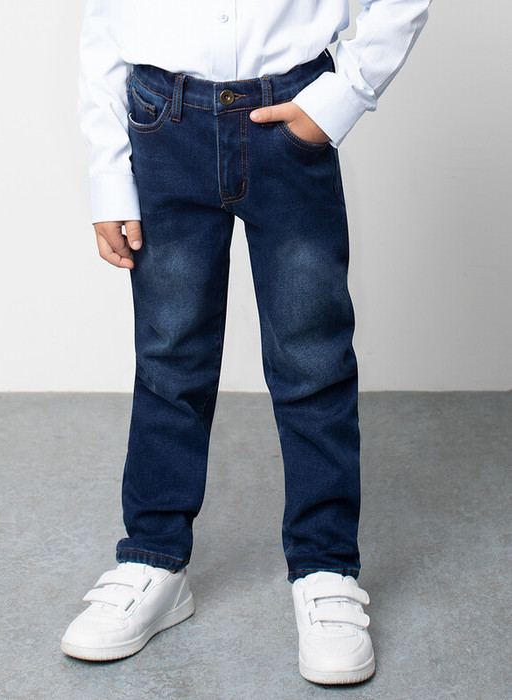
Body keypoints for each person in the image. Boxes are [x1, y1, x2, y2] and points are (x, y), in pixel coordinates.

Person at [61, 0, 432, 685]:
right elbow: (106, 19)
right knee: (169, 357)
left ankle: (325, 568)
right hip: (162, 121)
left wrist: (344, 94)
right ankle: (153, 557)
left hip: (288, 119)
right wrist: (108, 173)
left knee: (312, 356)